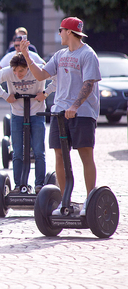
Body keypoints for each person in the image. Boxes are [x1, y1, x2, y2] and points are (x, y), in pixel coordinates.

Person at [20, 16, 101, 216]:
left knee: (85, 154)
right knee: (59, 154)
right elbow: (41, 75)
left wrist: (74, 106)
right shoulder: (60, 55)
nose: (59, 34)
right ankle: (65, 201)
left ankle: (90, 201)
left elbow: (88, 84)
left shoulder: (88, 54)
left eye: (61, 30)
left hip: (82, 113)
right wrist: (26, 55)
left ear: (70, 32)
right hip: (59, 112)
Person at [0, 53, 56, 194]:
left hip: (37, 114)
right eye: (15, 71)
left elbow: (57, 78)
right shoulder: (8, 71)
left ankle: (39, 185)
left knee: (38, 151)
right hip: (18, 114)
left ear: (28, 68)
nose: (17, 74)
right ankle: (19, 185)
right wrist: (6, 96)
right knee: (17, 152)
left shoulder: (38, 70)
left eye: (21, 71)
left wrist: (45, 93)